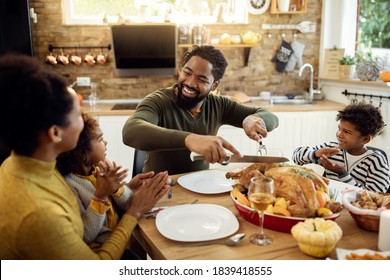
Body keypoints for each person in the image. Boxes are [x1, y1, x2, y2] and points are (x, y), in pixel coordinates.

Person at [0, 54, 170, 259]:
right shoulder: (40, 216)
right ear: (55, 133)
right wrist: (134, 211)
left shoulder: (18, 163)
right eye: (78, 115)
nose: (84, 121)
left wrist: (123, 191)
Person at [122, 45, 279, 174]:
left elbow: (271, 118)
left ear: (214, 85)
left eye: (202, 79)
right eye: (187, 73)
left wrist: (250, 119)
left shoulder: (219, 105)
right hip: (157, 191)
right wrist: (190, 139)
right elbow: (130, 131)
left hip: (199, 187)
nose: (190, 83)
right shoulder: (158, 101)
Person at [56, 112, 160, 250]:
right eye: (99, 139)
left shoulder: (103, 167)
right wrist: (100, 197)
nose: (105, 142)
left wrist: (120, 189)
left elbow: (127, 203)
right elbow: (86, 235)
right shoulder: (70, 186)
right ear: (82, 153)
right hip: (101, 249)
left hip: (122, 238)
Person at [292, 103, 389, 193]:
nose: (339, 135)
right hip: (329, 205)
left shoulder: (376, 161)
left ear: (365, 139)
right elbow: (296, 157)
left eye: (347, 132)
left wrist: (343, 174)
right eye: (339, 129)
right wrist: (315, 154)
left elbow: (375, 196)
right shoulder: (331, 148)